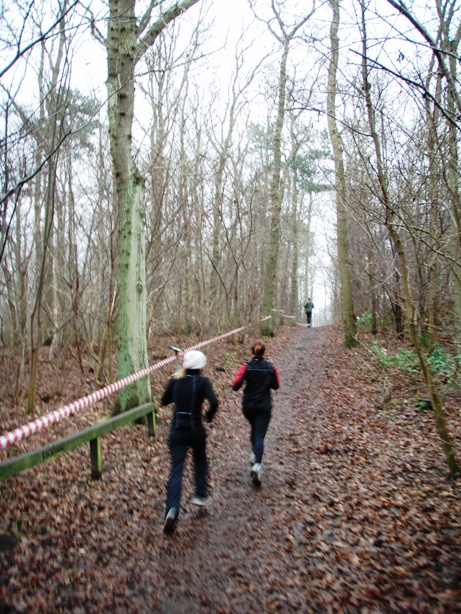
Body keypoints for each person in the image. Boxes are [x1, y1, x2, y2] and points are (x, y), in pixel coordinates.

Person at [161, 350, 218, 534]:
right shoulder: (203, 382)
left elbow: (163, 401)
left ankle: (172, 508)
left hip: (177, 431)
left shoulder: (175, 380)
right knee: (200, 460)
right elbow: (214, 402)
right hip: (195, 431)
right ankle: (200, 494)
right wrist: (208, 415)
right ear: (201, 366)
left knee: (176, 469)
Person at [231, 340, 280, 487]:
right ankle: (257, 464)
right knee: (260, 435)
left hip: (249, 406)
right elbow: (276, 386)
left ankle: (254, 454)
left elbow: (235, 386)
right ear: (264, 352)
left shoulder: (246, 366)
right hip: (264, 406)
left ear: (252, 352)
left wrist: (244, 381)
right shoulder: (271, 367)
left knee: (254, 428)